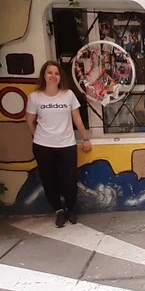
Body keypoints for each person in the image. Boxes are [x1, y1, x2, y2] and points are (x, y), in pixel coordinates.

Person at [25, 61, 92, 228]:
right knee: (49, 179)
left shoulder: (68, 95)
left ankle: (71, 208)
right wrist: (38, 137)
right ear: (44, 75)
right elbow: (30, 120)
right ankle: (59, 210)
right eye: (50, 73)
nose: (53, 76)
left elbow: (77, 118)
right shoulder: (35, 97)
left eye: (56, 73)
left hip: (67, 144)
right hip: (43, 145)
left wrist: (85, 138)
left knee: (69, 179)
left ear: (60, 77)